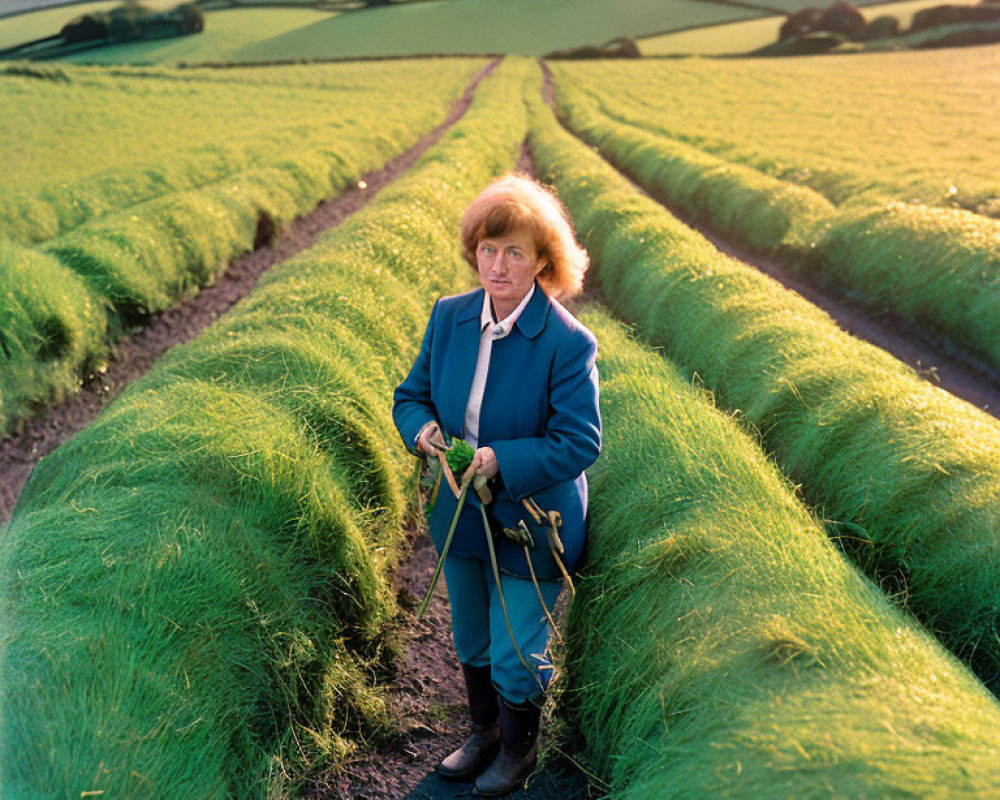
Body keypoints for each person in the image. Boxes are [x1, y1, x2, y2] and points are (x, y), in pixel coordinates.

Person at [392, 172, 601, 796]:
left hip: (531, 521)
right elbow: (411, 397)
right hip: (459, 514)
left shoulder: (568, 342)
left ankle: (517, 751)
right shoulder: (450, 317)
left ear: (543, 260)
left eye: (515, 251)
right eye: (488, 248)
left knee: (515, 650)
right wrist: (424, 430)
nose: (499, 264)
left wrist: (497, 459)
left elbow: (580, 442)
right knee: (471, 635)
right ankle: (483, 733)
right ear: (473, 251)